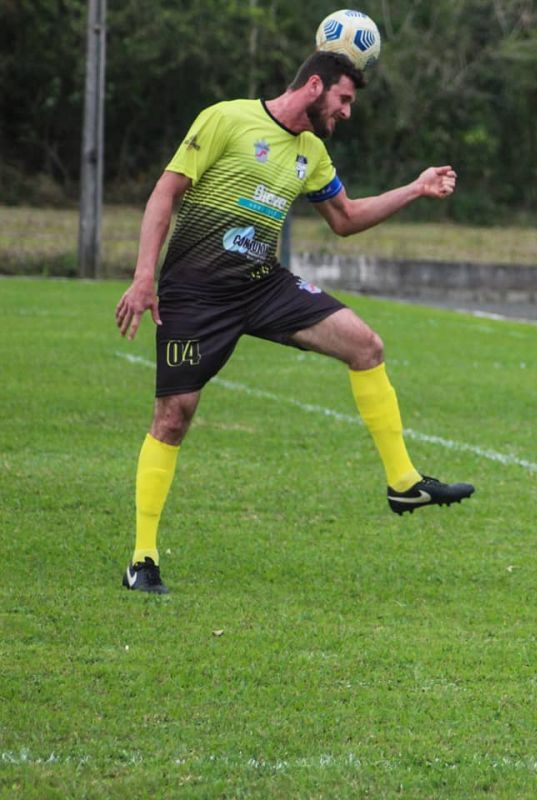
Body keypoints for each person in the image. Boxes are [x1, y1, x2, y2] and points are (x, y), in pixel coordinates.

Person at [114, 51, 474, 594]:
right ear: (314, 86)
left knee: (365, 345)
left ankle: (403, 482)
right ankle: (143, 560)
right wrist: (144, 277)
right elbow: (165, 193)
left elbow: (346, 219)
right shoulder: (227, 119)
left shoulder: (313, 153)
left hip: (262, 285)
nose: (348, 112)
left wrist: (416, 188)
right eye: (345, 99)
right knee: (173, 416)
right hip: (195, 292)